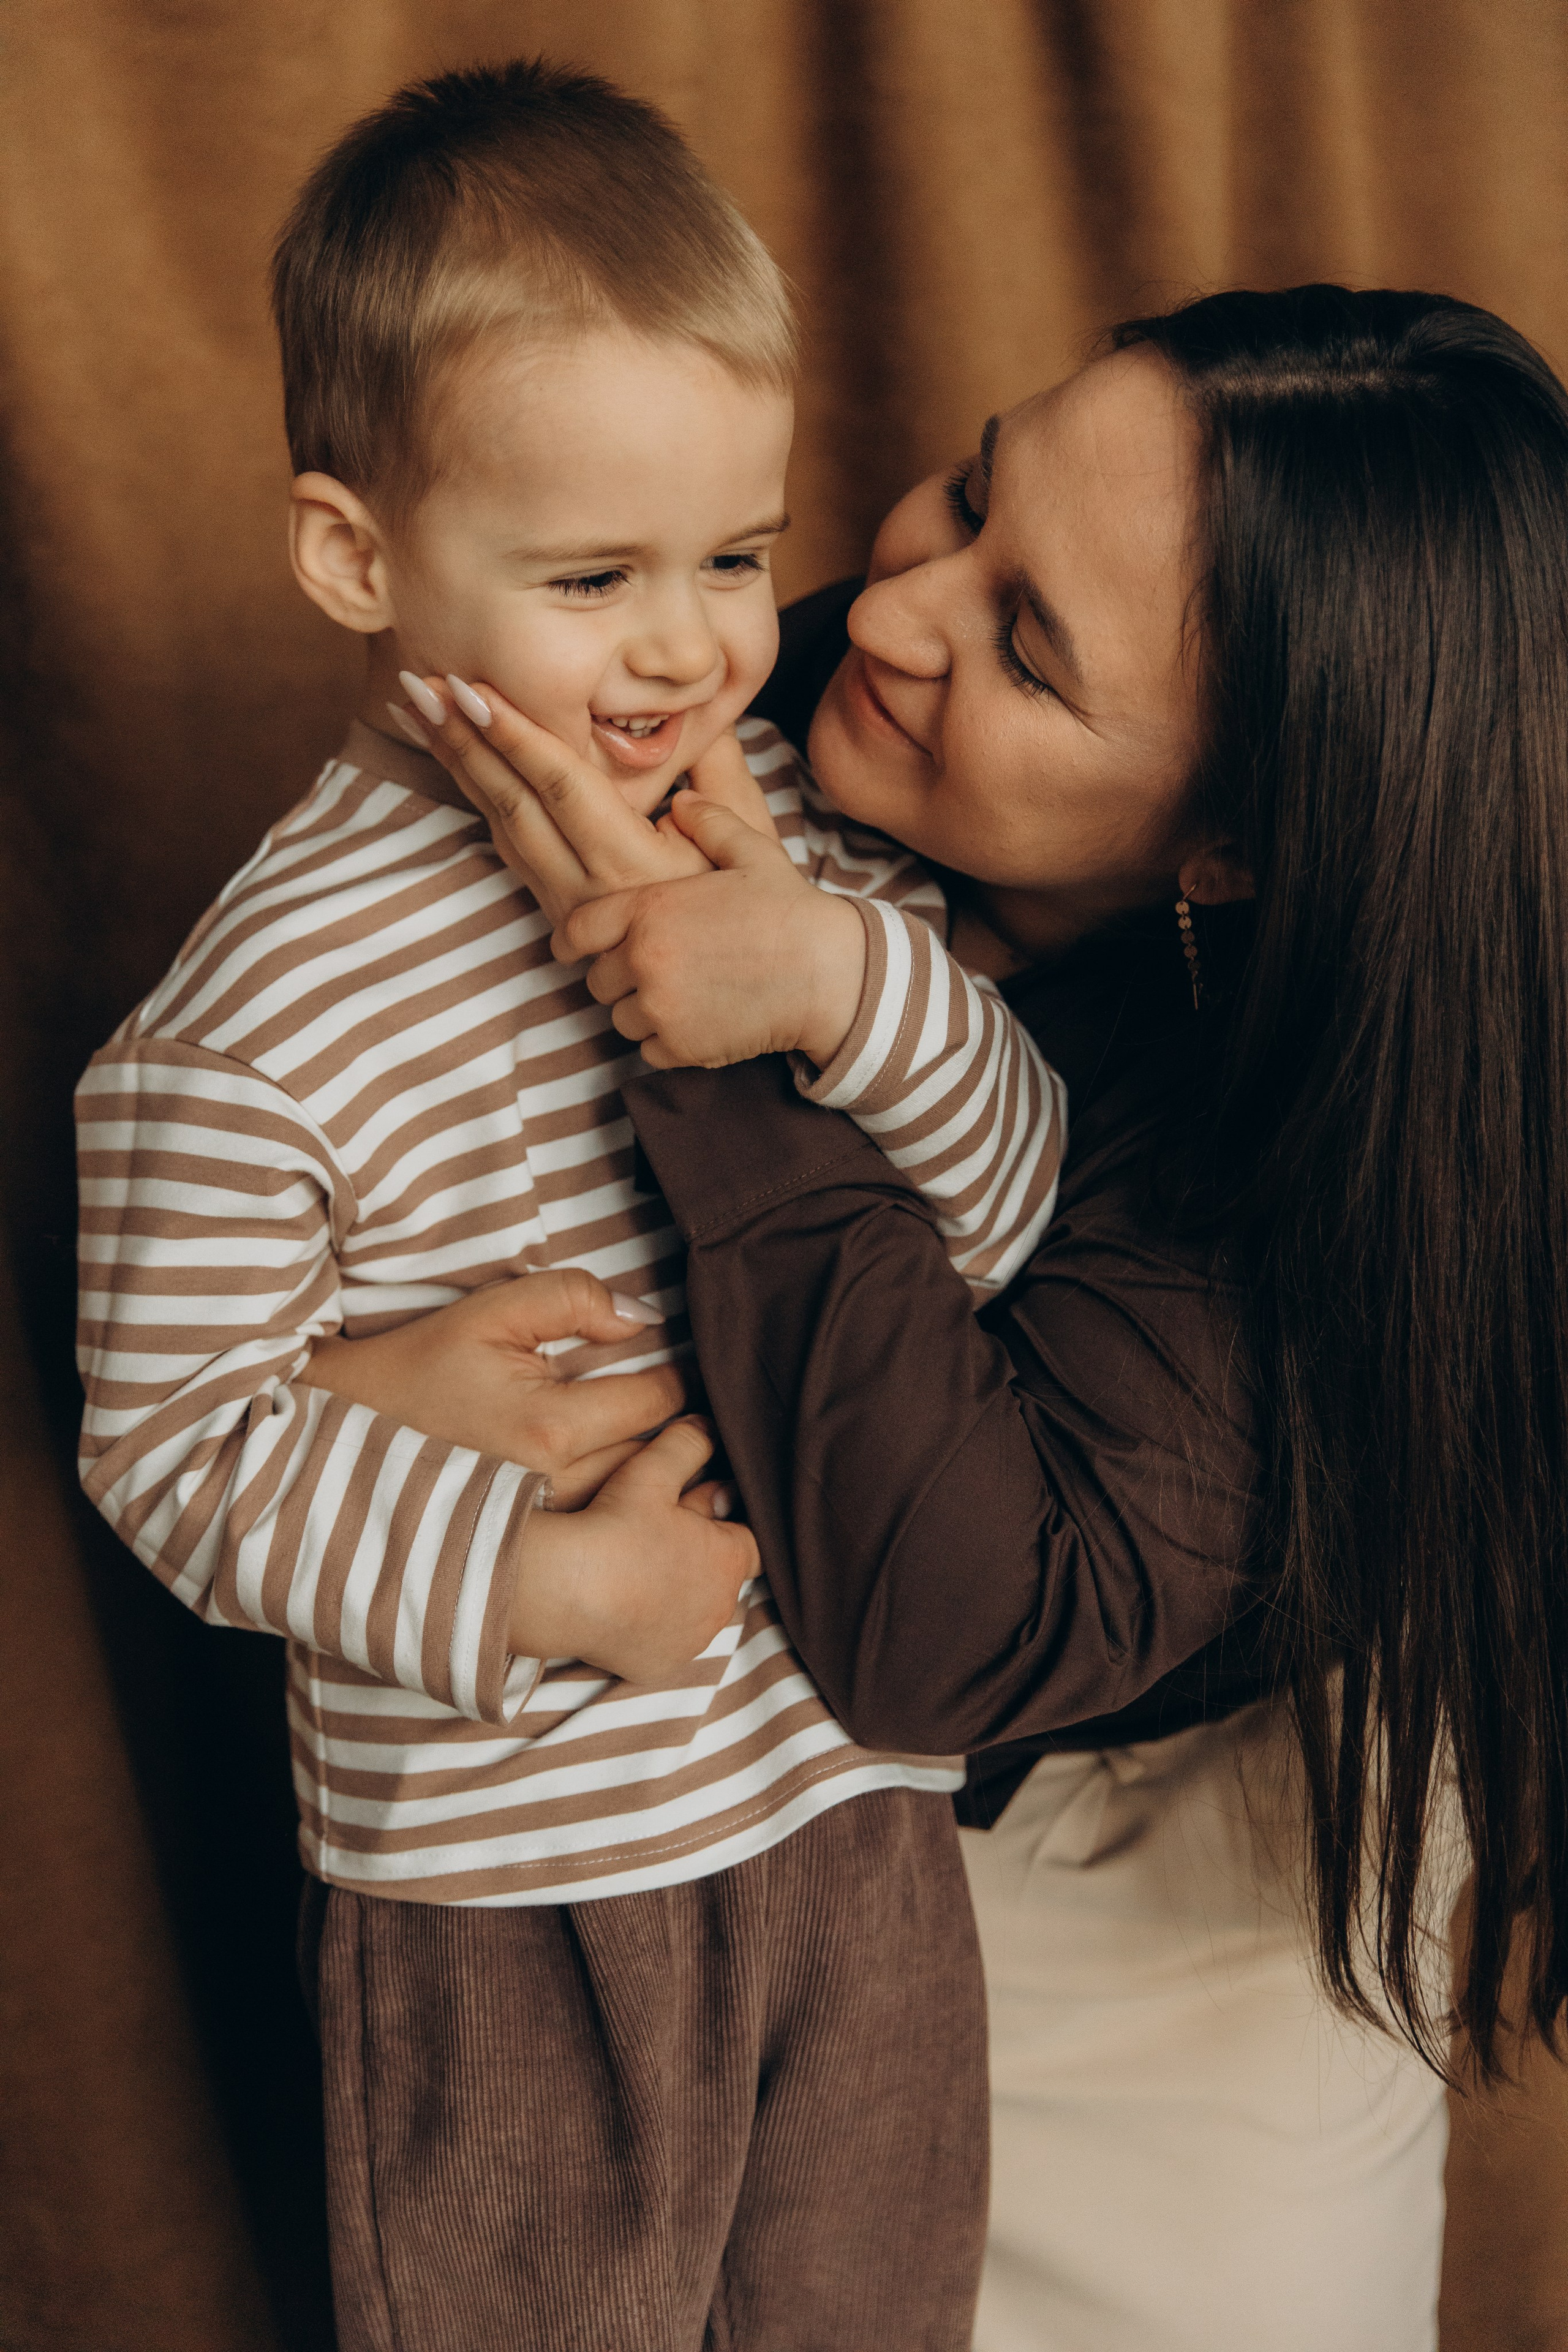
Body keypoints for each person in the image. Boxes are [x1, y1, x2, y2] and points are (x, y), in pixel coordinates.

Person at [380, 286, 1568, 2351]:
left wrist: (740, 1025)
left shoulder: (1338, 1154)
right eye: (968, 493)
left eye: (1029, 649)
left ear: (1237, 847)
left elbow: (952, 1623)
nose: (896, 608)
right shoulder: (806, 673)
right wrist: (341, 1386)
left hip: (1161, 1933)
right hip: (745, 1860)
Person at [73, 58, 1068, 2352]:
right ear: (357, 559)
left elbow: (1006, 1214)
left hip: (848, 1811)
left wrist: (836, 977)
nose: (690, 647)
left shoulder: (784, 843)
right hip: (503, 1889)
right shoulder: (252, 1015)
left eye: (733, 557)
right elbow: (176, 1446)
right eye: (594, 576)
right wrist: (544, 1585)